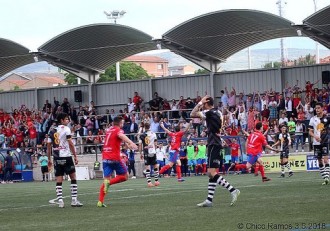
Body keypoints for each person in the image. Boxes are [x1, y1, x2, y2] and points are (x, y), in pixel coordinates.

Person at [191, 95, 240, 207]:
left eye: (204, 103)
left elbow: (192, 114)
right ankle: (209, 200)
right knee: (211, 174)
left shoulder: (210, 113)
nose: (202, 106)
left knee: (211, 173)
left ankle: (233, 190)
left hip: (214, 144)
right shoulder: (218, 112)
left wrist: (199, 103)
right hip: (216, 143)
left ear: (207, 102)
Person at [97, 116, 138, 207]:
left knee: (106, 180)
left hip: (105, 158)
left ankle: (100, 201)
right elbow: (120, 135)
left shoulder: (109, 130)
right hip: (114, 158)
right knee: (125, 176)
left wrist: (127, 144)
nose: (122, 125)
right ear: (120, 124)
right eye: (122, 123)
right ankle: (110, 183)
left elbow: (116, 139)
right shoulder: (118, 130)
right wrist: (131, 143)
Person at [47, 112, 83, 208]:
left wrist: (49, 159)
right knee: (73, 177)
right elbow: (70, 143)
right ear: (61, 120)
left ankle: (60, 201)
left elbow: (48, 146)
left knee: (59, 179)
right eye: (66, 119)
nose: (68, 120)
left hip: (56, 158)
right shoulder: (66, 129)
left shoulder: (51, 130)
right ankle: (74, 200)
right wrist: (75, 155)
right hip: (66, 156)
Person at [308, 102, 330, 185]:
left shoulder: (327, 118)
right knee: (320, 161)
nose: (317, 110)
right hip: (316, 143)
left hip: (325, 141)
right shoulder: (312, 119)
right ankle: (325, 178)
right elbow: (310, 131)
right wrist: (315, 136)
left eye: (318, 108)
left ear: (322, 108)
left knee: (326, 159)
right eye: (316, 108)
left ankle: (327, 177)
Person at [139, 123, 160, 187]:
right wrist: (155, 149)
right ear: (150, 126)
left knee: (147, 167)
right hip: (153, 152)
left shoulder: (142, 135)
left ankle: (149, 182)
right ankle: (156, 181)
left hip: (146, 152)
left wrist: (140, 153)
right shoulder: (153, 134)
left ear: (145, 127)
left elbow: (140, 144)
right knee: (155, 166)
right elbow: (156, 143)